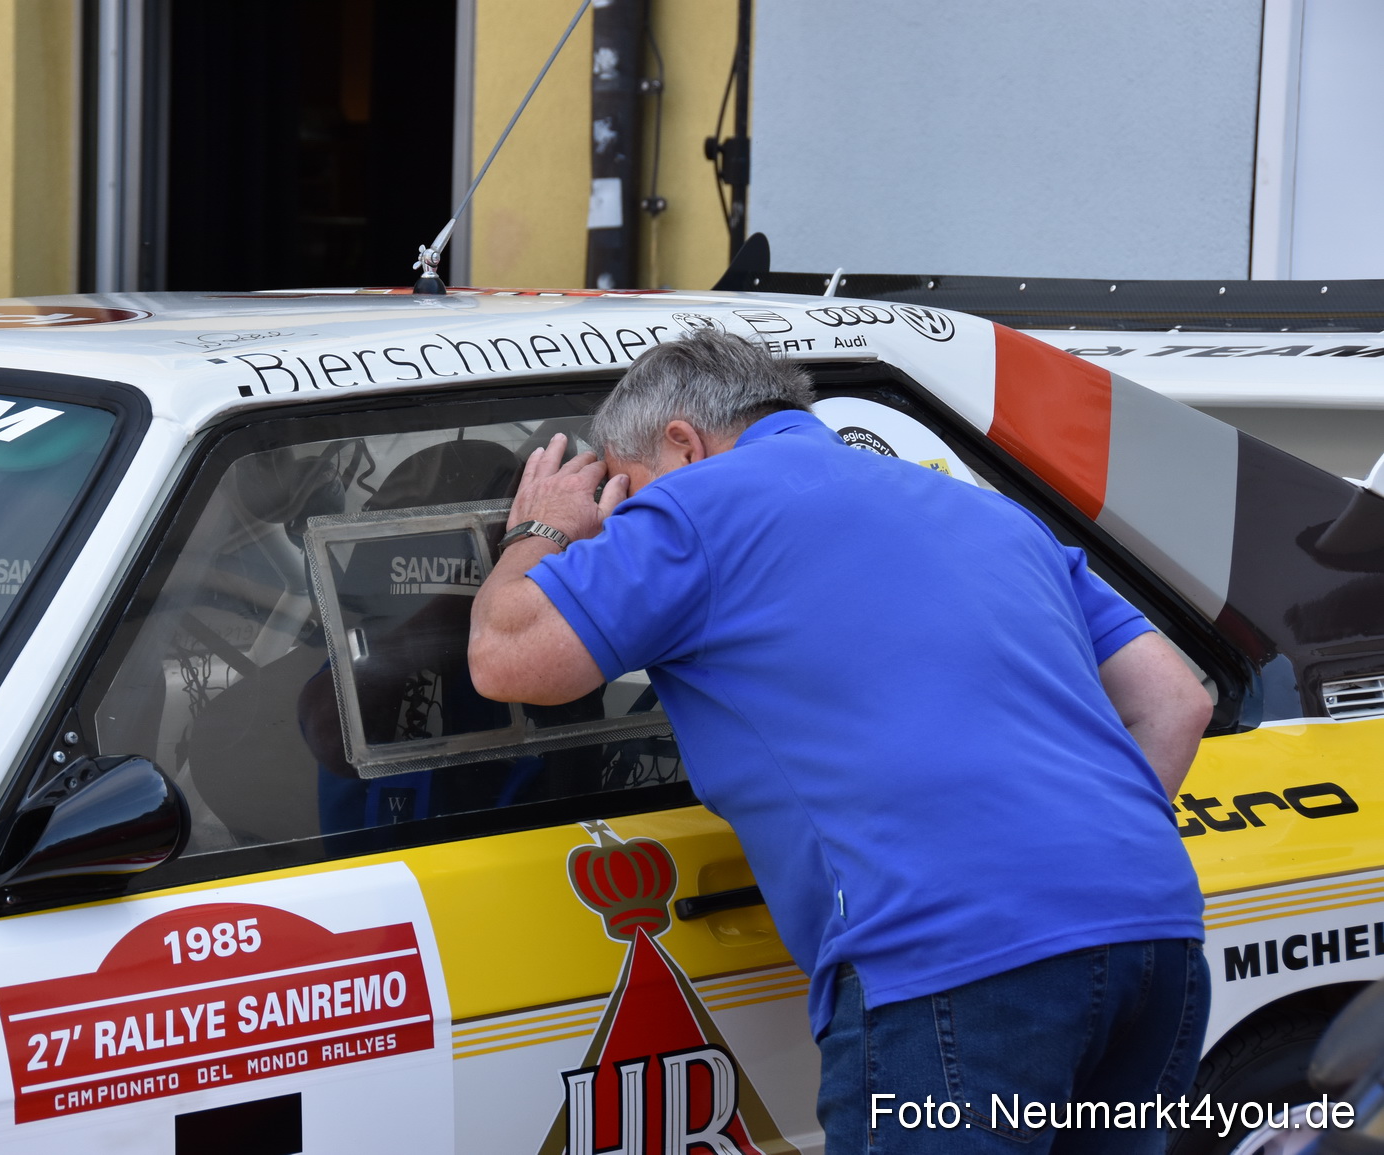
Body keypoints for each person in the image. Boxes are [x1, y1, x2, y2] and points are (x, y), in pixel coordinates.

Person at [467, 328, 1213, 1155]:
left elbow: (506, 657)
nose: (623, 518)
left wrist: (543, 527)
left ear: (682, 442)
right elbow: (1176, 701)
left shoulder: (700, 501)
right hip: (1156, 931)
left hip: (952, 955)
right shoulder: (985, 508)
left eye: (626, 488)